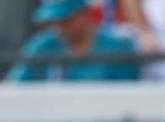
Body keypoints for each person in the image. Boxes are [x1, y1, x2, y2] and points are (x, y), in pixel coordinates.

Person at [6, 0, 139, 81]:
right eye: (55, 21)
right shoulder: (40, 46)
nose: (60, 27)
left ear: (84, 14)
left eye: (66, 20)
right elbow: (15, 89)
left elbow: (126, 99)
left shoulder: (116, 48)